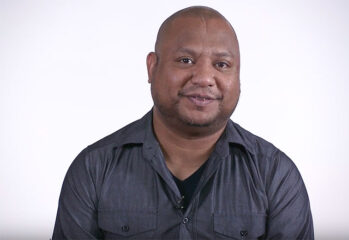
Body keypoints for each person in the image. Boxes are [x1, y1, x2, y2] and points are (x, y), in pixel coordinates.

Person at [52, 6, 314, 240]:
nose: (204, 77)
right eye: (185, 60)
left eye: (221, 64)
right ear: (152, 67)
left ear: (239, 76)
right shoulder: (94, 169)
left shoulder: (276, 176)